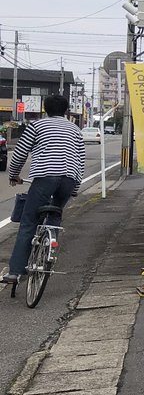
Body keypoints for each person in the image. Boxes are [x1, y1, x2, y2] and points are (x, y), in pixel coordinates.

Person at [3, 94, 85, 285]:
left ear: (45, 109)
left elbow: (21, 153)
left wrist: (13, 175)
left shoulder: (37, 126)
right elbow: (80, 161)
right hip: (69, 178)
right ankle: (48, 254)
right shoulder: (75, 129)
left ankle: (15, 272)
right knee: (55, 216)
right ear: (65, 111)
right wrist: (75, 189)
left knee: (29, 221)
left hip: (46, 176)